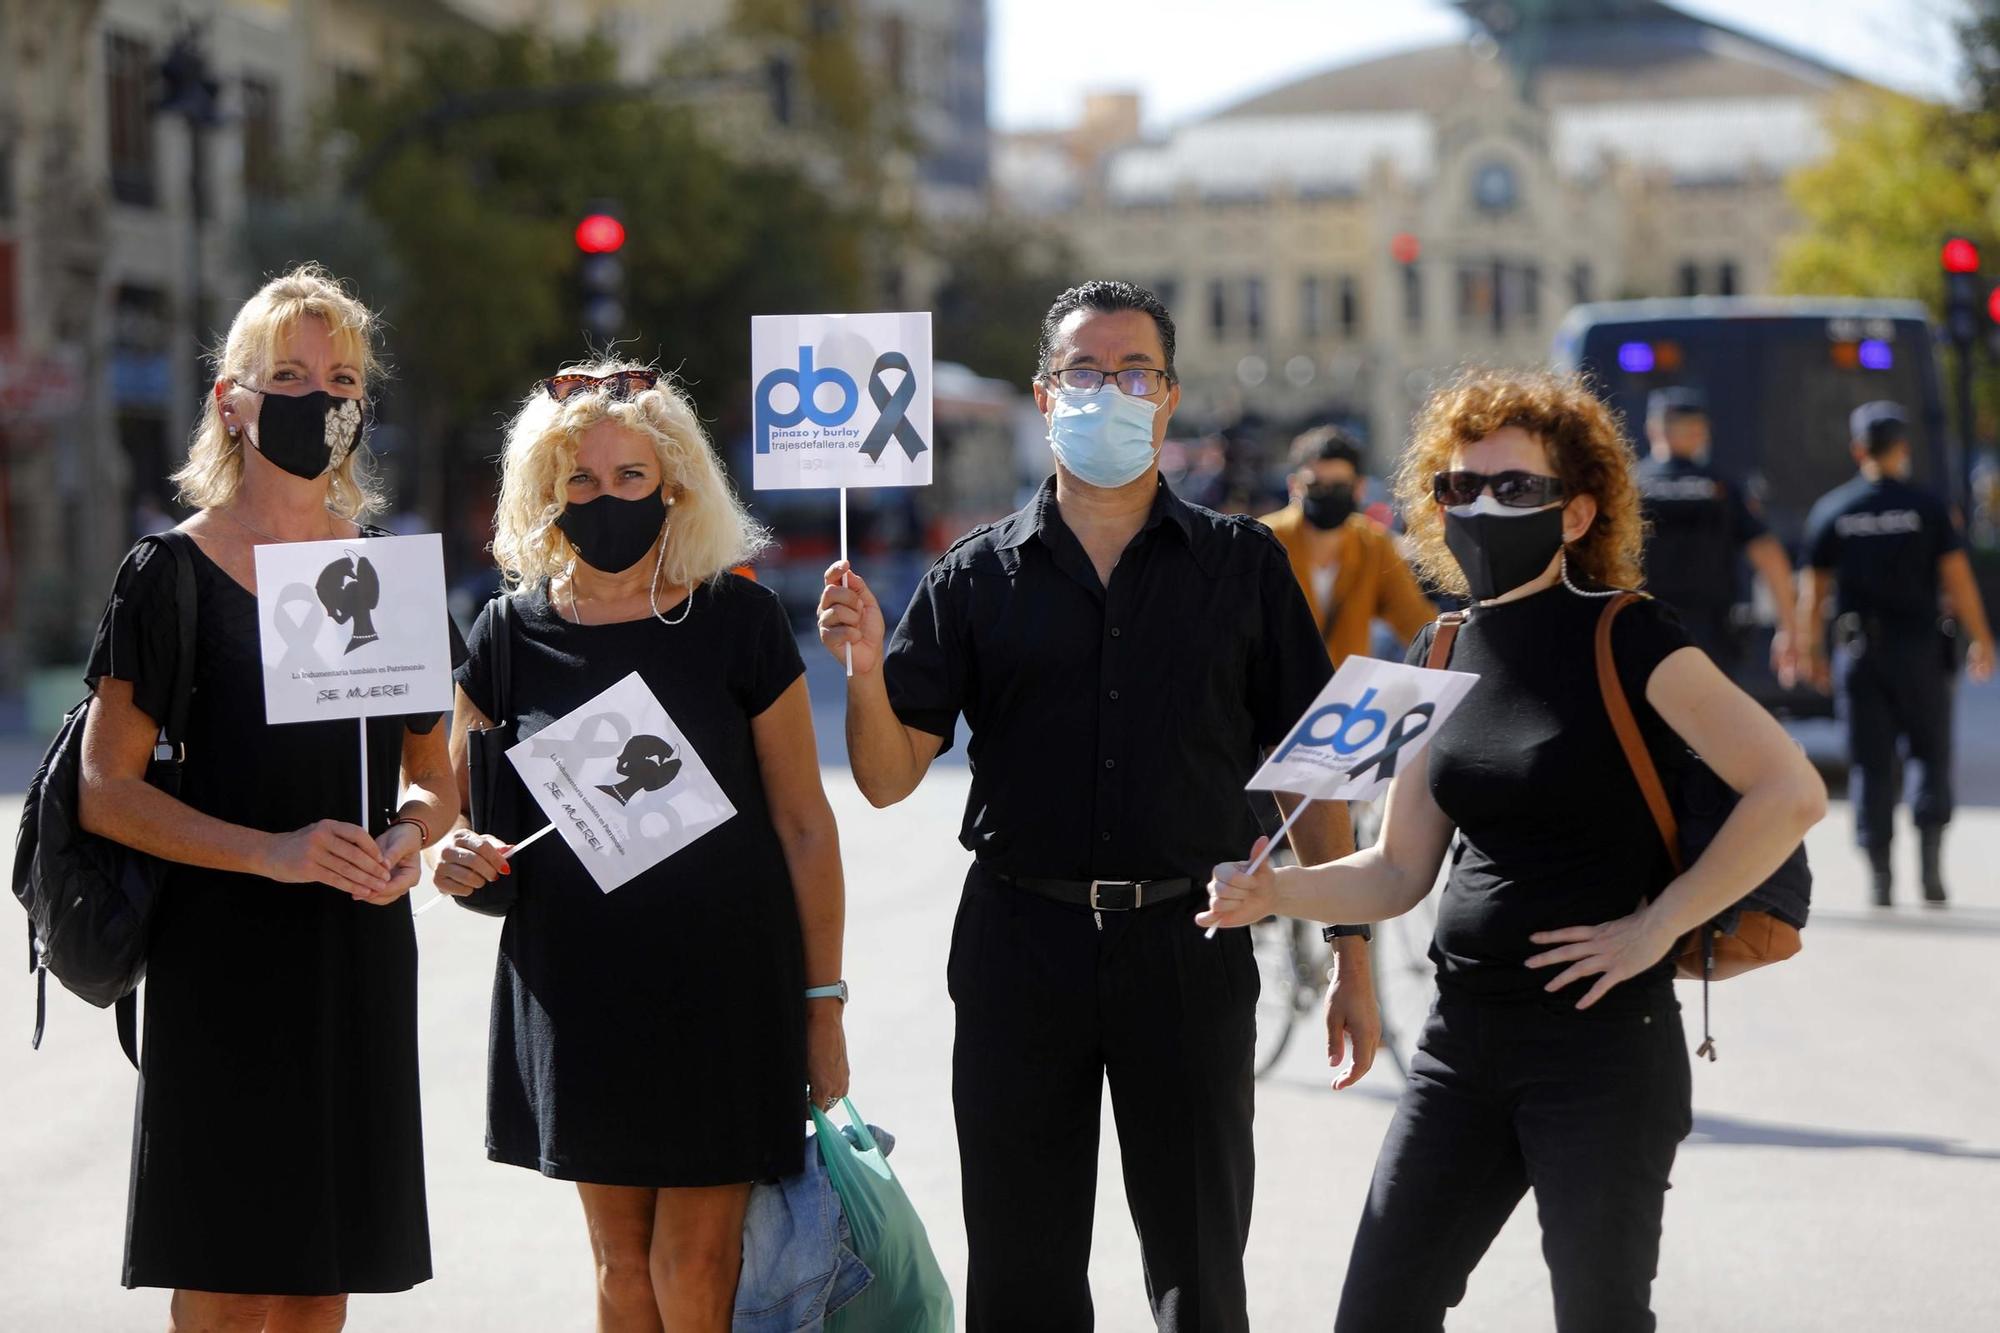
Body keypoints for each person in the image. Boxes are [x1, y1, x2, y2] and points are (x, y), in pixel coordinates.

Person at [1199, 368, 1827, 1332]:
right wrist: (1275, 889)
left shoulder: (1630, 636)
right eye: (1459, 488)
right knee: (1376, 1315)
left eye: (1514, 488)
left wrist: (1655, 928)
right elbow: (1398, 870)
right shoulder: (1443, 652)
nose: (1482, 507)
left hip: (1604, 1049)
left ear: (1577, 513)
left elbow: (1790, 791)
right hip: (1461, 1045)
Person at [815, 279, 1371, 1333]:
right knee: (1021, 1275)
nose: (1104, 390)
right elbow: (888, 778)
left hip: (1189, 937)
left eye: (1131, 372)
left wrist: (1344, 944)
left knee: (1200, 1266)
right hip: (1020, 945)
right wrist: (859, 670)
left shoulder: (1241, 566)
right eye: (1082, 371)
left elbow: (1310, 767)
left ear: (1166, 397)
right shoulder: (972, 576)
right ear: (1042, 392)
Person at [429, 362, 849, 1333]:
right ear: (542, 491)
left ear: (674, 485)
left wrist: (822, 1006)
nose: (604, 498)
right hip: (577, 994)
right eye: (579, 479)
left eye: (628, 477)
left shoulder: (736, 621)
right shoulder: (503, 633)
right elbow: (452, 811)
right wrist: (454, 855)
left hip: (723, 987)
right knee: (621, 1267)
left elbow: (802, 823)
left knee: (691, 1262)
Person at [77, 265, 458, 1332]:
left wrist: (410, 836)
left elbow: (436, 773)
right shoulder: (167, 573)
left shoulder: (387, 575)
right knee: (230, 1277)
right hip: (222, 962)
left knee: (320, 1281)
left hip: (357, 958)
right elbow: (107, 791)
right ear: (230, 402)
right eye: (286, 373)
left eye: (340, 376)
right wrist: (271, 852)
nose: (317, 396)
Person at [1799, 401, 1995, 906]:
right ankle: (1931, 872)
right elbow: (1958, 581)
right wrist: (1981, 639)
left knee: (1870, 763)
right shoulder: (1927, 507)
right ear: (1902, 447)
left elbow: (1813, 592)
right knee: (1930, 754)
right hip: (1922, 652)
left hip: (1861, 654)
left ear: (1858, 449)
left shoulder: (1834, 510)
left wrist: (1810, 650)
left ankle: (1881, 880)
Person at [1635, 386, 1799, 683]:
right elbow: (1769, 556)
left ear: (1652, 429)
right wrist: (1788, 627)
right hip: (1711, 632)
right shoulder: (1721, 487)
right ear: (1701, 431)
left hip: (1643, 628)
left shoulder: (1630, 487)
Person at [1260, 424, 1434, 669]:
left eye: (1340, 487)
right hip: (1273, 699)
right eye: (1316, 486)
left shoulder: (1373, 545)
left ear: (1359, 488)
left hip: (1341, 701)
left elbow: (1415, 622)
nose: (1328, 494)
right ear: (1295, 486)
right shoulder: (1262, 541)